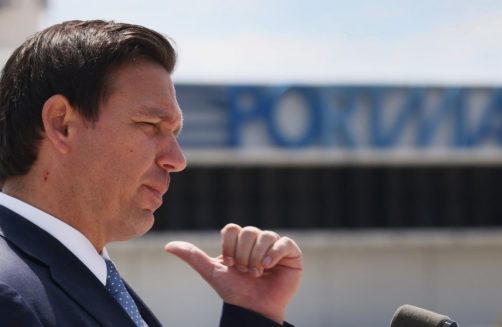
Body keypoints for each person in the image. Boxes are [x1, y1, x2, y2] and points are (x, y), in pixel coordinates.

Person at [0, 20, 303, 326]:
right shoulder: (10, 294)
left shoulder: (84, 281)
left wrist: (253, 312)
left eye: (174, 133)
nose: (178, 159)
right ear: (61, 124)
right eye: (150, 125)